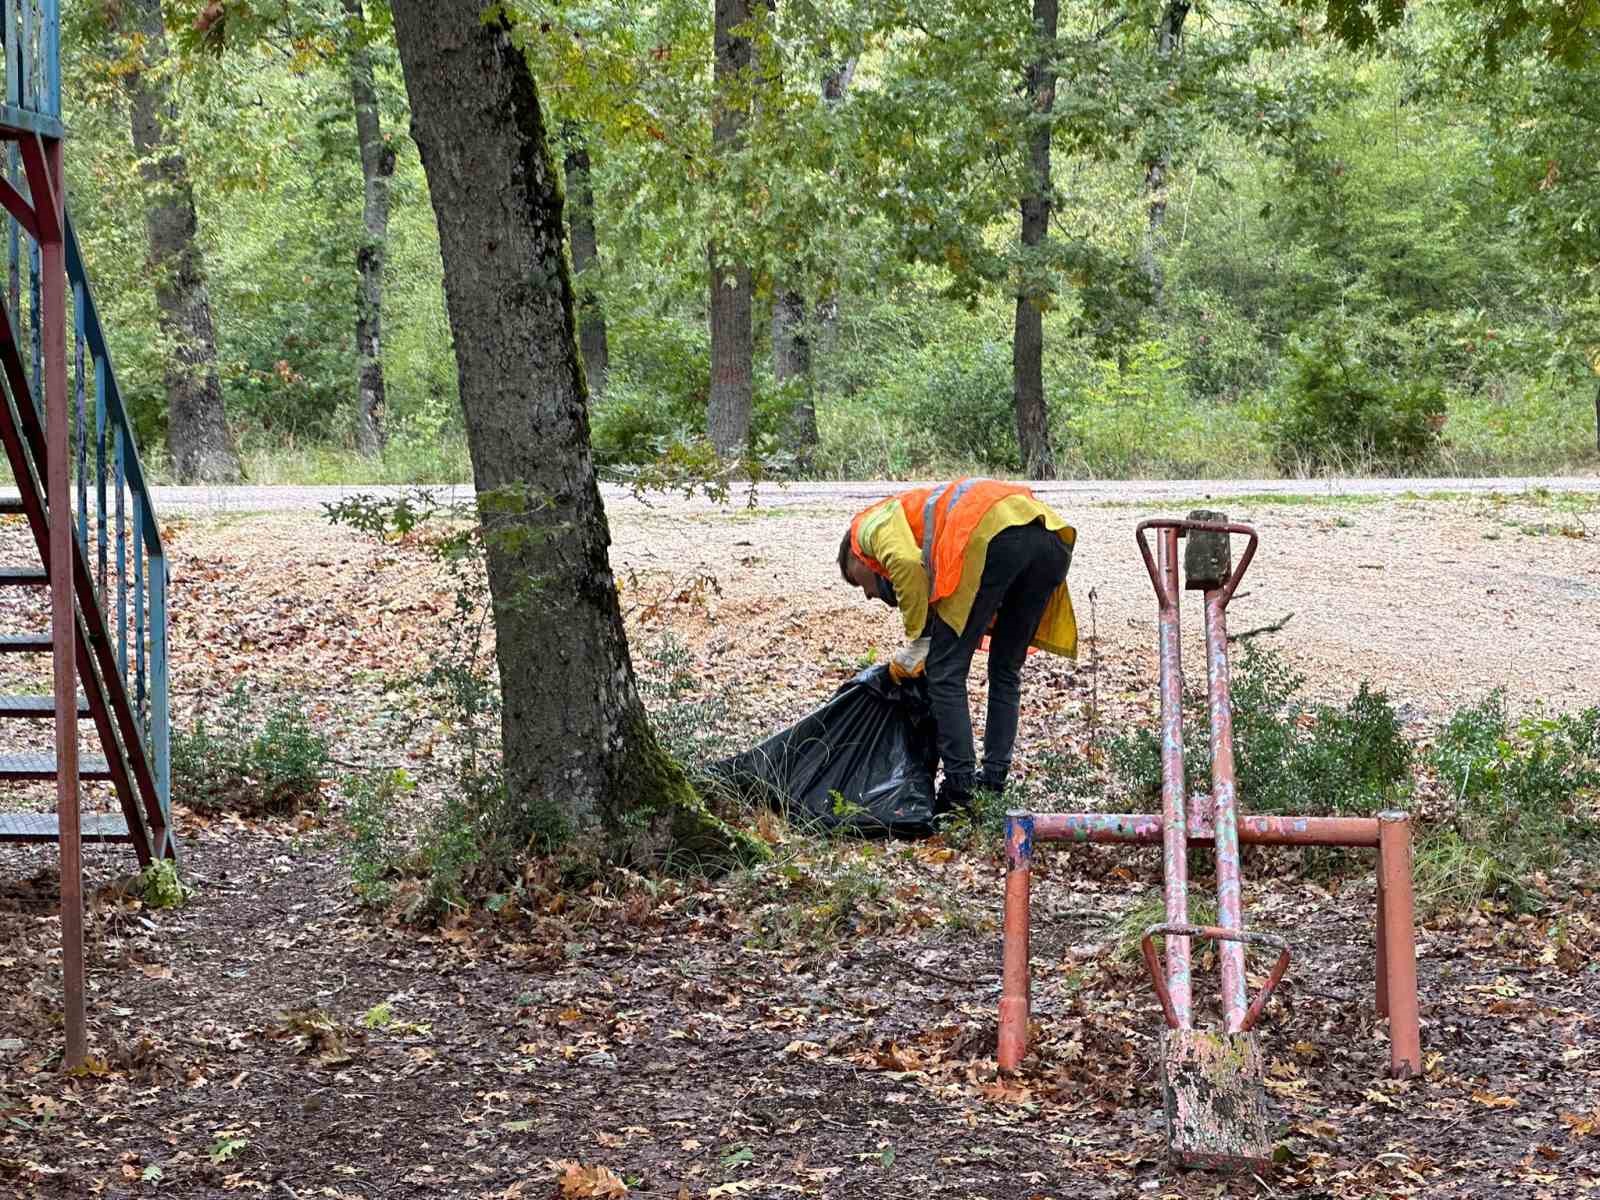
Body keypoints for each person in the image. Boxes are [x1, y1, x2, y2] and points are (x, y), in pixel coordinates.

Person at [838, 477, 1076, 816]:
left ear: (855, 556)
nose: (867, 594)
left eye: (856, 581)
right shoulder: (914, 520)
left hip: (995, 536)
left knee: (945, 673)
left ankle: (960, 791)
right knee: (1005, 669)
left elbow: (905, 564)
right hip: (1050, 539)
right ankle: (992, 785)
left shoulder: (866, 528)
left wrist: (919, 640)